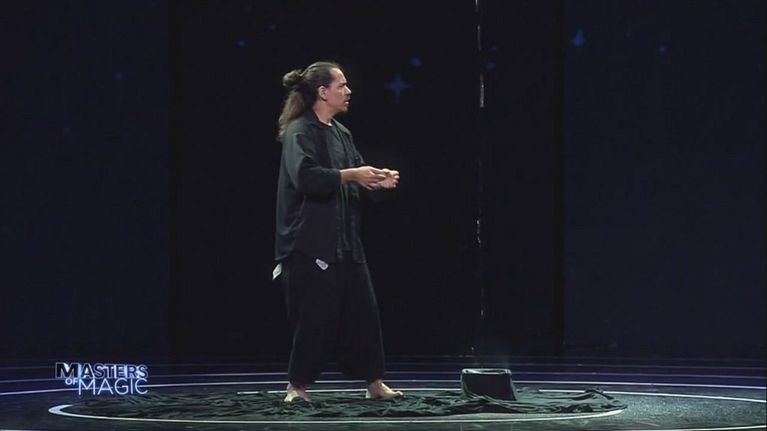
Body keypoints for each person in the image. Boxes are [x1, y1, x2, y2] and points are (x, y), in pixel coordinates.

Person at [273, 61, 403, 403]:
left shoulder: (341, 133)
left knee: (364, 313)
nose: (348, 91)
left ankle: (375, 383)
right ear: (322, 92)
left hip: (346, 243)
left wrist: (378, 180)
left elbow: (356, 175)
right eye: (341, 85)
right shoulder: (300, 132)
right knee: (315, 317)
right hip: (310, 243)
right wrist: (352, 175)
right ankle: (297, 386)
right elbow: (307, 178)